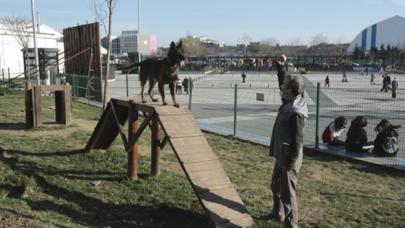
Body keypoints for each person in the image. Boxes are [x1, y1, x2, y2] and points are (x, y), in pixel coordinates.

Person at [268, 74, 308, 227]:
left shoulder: (296, 112)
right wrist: (280, 68)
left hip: (289, 158)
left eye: (284, 83)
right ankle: (277, 214)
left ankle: (292, 224)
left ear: (290, 89)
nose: (281, 85)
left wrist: (288, 164)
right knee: (275, 186)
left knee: (288, 196)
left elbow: (297, 141)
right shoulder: (289, 100)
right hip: (281, 155)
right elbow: (283, 84)